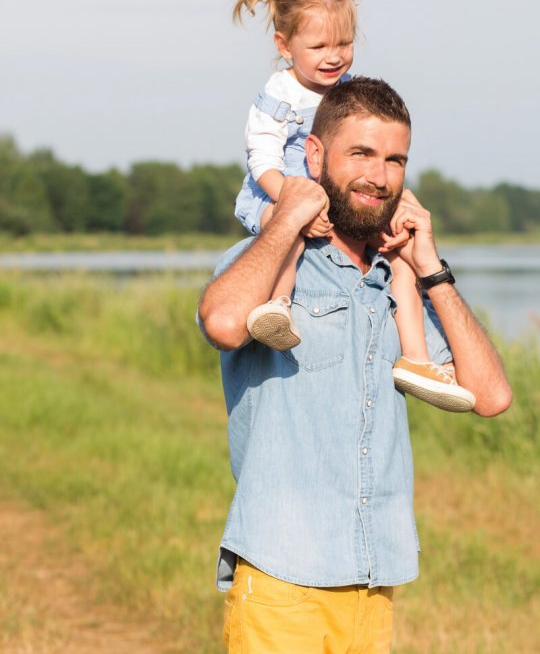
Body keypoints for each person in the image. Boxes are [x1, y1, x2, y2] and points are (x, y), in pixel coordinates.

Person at [197, 76, 512, 653]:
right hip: (280, 578)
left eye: (395, 159)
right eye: (361, 153)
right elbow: (221, 323)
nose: (380, 176)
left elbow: (490, 396)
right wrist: (289, 216)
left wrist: (430, 267)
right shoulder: (267, 265)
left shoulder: (398, 283)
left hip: (373, 584)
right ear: (315, 156)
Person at [232, 0, 475, 411]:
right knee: (291, 237)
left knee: (398, 245)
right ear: (283, 45)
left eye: (344, 43)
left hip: (336, 197)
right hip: (278, 189)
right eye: (319, 45)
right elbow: (262, 161)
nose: (334, 56)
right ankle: (279, 305)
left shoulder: (346, 89)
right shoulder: (278, 96)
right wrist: (295, 200)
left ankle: (417, 357)